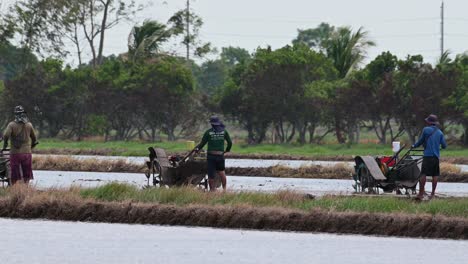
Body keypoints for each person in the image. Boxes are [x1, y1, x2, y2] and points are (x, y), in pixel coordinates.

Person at [412, 114, 447, 199]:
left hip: (427, 156)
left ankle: (420, 194)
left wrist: (414, 146)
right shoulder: (440, 132)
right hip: (435, 157)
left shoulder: (426, 130)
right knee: (435, 175)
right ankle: (432, 194)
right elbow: (444, 146)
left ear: (428, 122)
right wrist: (439, 147)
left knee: (423, 174)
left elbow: (421, 141)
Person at [2, 106, 38, 185]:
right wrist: (31, 147)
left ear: (15, 114)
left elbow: (5, 135)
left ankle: (15, 188)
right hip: (27, 153)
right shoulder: (29, 125)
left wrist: (5, 144)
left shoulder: (12, 125)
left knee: (15, 172)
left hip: (15, 153)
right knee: (27, 171)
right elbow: (34, 138)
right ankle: (25, 187)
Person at [195, 116, 232, 191]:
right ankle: (224, 190)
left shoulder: (208, 132)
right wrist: (227, 150)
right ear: (218, 123)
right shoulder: (224, 131)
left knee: (211, 174)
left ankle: (212, 190)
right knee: (222, 172)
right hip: (220, 156)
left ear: (211, 124)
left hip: (211, 156)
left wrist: (197, 149)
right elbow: (230, 143)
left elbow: (202, 143)